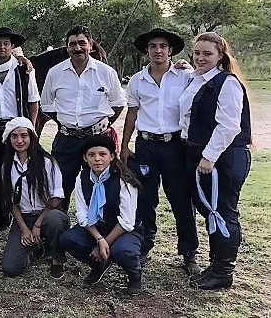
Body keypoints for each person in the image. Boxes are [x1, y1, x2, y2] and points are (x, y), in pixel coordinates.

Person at [120, 28, 201, 276]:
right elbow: (132, 113)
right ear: (147, 50)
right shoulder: (137, 80)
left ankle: (189, 253)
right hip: (146, 146)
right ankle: (144, 245)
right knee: (146, 198)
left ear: (170, 50)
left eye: (163, 46)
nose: (158, 50)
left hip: (175, 145)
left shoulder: (185, 76)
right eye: (153, 46)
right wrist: (124, 145)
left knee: (180, 199)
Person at [178, 32, 252, 290]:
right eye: (197, 53)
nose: (200, 58)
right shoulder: (197, 78)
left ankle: (223, 271)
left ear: (221, 55)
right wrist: (186, 67)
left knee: (223, 212)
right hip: (200, 153)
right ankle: (216, 264)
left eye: (207, 54)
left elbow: (229, 126)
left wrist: (208, 157)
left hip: (222, 157)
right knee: (211, 210)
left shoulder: (227, 83)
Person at [40, 25, 126, 211]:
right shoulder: (55, 73)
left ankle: (97, 229)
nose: (77, 48)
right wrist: (64, 122)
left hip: (96, 139)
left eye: (82, 43)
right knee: (60, 187)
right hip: (66, 140)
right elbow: (46, 105)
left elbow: (118, 104)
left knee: (98, 184)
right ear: (67, 47)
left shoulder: (106, 72)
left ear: (91, 45)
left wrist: (103, 125)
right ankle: (58, 228)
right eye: (72, 44)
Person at [59, 134, 144, 296]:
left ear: (112, 156)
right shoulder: (82, 177)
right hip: (97, 228)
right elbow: (83, 214)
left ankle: (134, 274)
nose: (97, 159)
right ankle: (98, 265)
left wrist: (104, 243)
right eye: (91, 155)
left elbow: (127, 221)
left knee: (123, 251)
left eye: (103, 154)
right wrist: (99, 239)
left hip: (124, 230)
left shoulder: (124, 179)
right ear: (85, 158)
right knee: (68, 239)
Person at [0, 27, 41, 230]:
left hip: (18, 128)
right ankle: (0, 217)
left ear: (13, 47)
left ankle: (26, 214)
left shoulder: (24, 69)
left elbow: (33, 101)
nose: (2, 47)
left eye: (6, 43)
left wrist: (30, 127)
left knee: (21, 171)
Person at [0, 117, 70, 278]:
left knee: (55, 220)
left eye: (24, 135)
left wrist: (38, 224)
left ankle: (56, 257)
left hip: (47, 214)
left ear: (32, 137)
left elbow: (56, 198)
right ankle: (36, 247)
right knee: (10, 269)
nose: (19, 140)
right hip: (24, 217)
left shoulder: (47, 162)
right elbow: (11, 202)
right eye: (14, 136)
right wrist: (24, 229)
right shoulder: (7, 167)